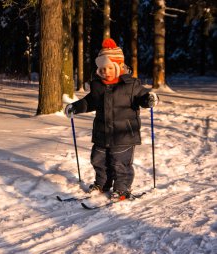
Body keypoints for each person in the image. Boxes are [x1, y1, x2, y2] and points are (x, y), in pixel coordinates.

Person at [65, 38, 159, 201]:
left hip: (124, 134)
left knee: (120, 163)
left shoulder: (131, 85)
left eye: (109, 68)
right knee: (98, 160)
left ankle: (122, 188)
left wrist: (149, 99)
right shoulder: (98, 85)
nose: (105, 72)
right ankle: (103, 184)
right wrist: (76, 107)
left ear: (119, 67)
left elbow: (143, 97)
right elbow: (90, 102)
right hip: (102, 133)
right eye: (101, 69)